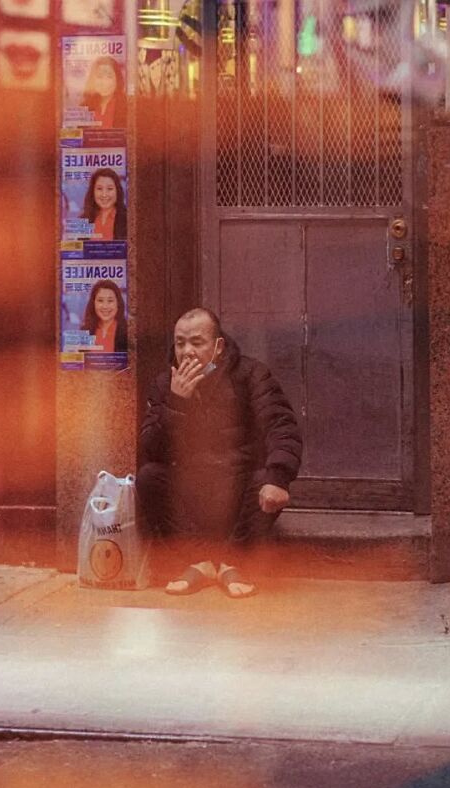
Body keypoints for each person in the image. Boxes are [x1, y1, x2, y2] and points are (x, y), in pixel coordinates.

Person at [137, 308, 302, 599]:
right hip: (192, 494)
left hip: (237, 490)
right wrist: (176, 405)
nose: (186, 352)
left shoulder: (251, 375)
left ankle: (233, 562)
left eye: (197, 342)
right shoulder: (165, 385)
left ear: (218, 347)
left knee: (266, 479)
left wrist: (279, 477)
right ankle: (198, 561)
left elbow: (281, 425)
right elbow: (150, 450)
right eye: (179, 343)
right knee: (150, 477)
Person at [80, 280, 128, 353]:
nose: (105, 306)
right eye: (100, 300)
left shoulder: (127, 332)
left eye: (110, 301)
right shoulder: (85, 331)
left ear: (118, 303)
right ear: (93, 303)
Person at [80, 168, 127, 241]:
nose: (104, 194)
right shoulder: (83, 220)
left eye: (110, 189)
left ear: (117, 191)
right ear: (93, 191)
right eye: (99, 189)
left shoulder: (128, 219)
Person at [81, 56, 126, 129]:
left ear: (117, 80)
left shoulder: (127, 107)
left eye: (109, 77)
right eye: (99, 77)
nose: (104, 82)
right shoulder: (85, 106)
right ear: (93, 79)